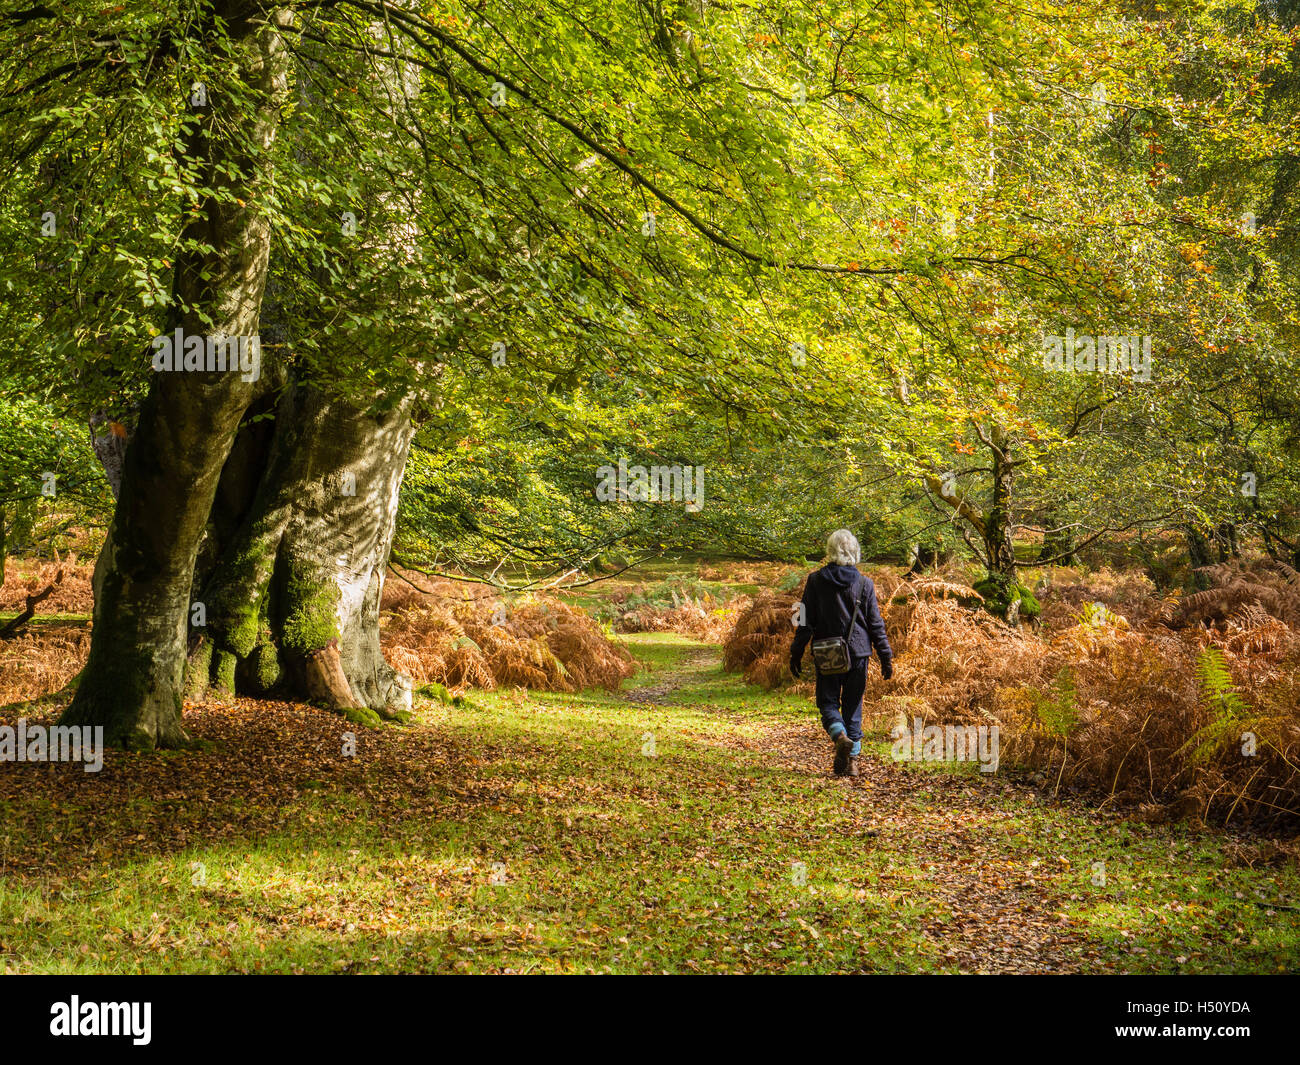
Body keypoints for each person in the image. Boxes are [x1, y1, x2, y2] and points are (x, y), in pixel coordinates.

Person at [789, 529, 893, 777]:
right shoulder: (864, 584)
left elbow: (803, 620)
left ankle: (839, 737)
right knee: (853, 706)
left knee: (827, 702)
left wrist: (796, 651)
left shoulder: (815, 581)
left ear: (830, 551)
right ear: (855, 551)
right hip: (858, 653)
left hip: (827, 653)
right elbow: (875, 623)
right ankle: (853, 762)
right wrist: (886, 656)